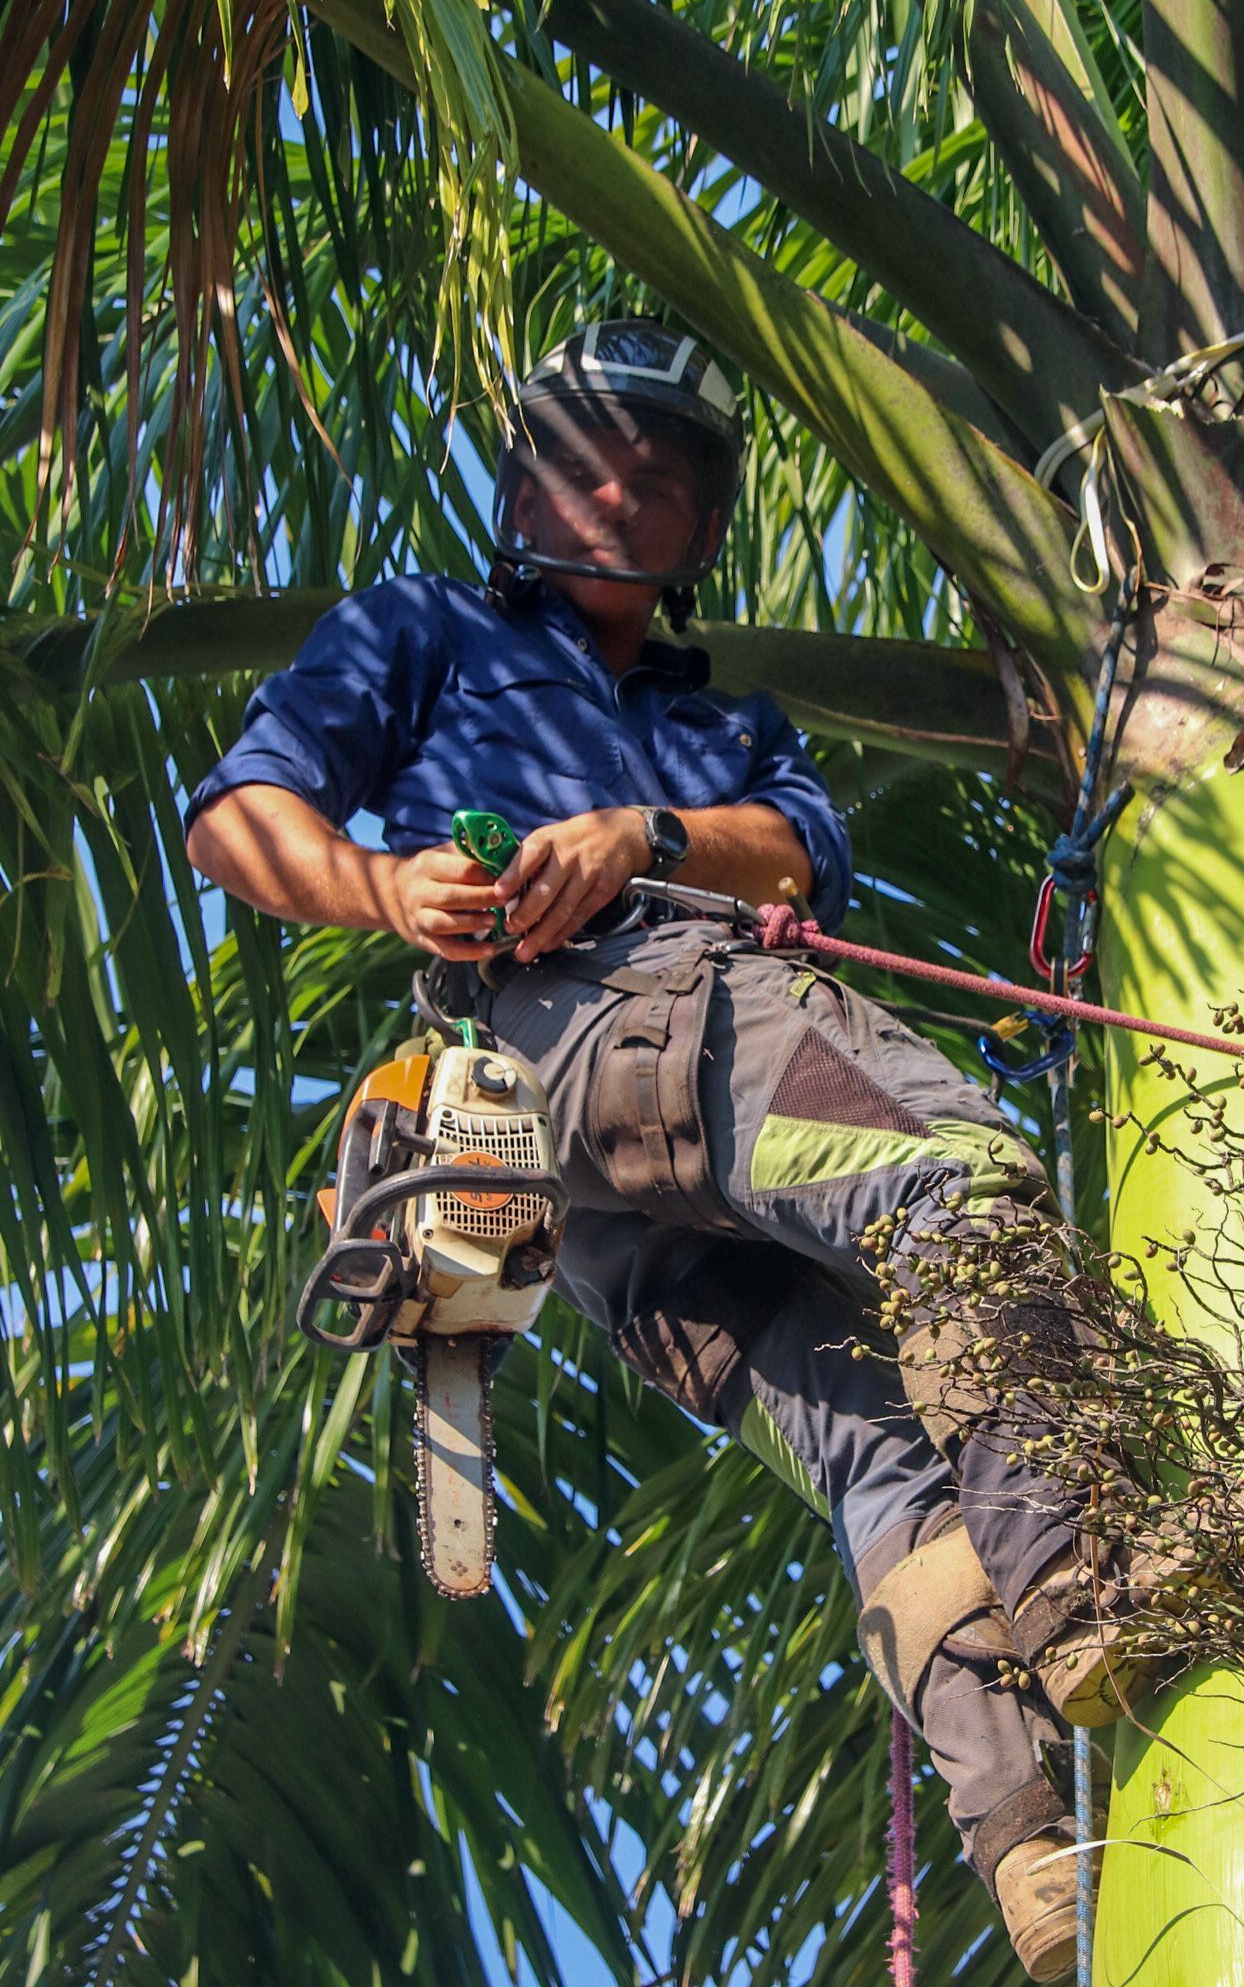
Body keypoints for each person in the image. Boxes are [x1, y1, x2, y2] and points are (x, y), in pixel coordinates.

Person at [185, 318, 1129, 1982]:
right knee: (958, 1182)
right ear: (523, 485)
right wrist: (392, 887)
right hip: (606, 1030)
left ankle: (1040, 1857)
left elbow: (795, 851)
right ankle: (1100, 1599)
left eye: (666, 474)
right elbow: (237, 817)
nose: (622, 493)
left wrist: (647, 832)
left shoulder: (730, 729)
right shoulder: (424, 632)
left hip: (651, 1173)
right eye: (586, 461)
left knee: (890, 1442)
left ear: (703, 528)